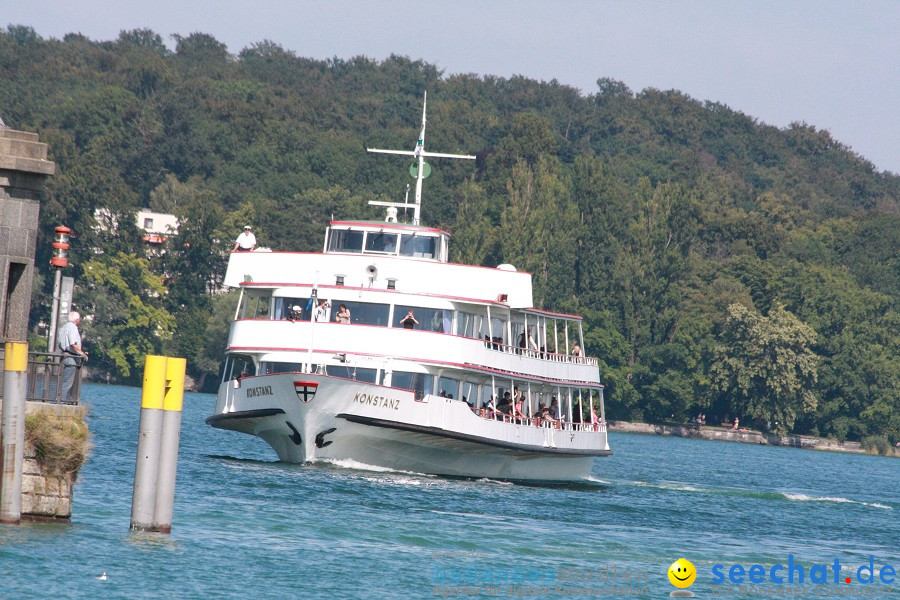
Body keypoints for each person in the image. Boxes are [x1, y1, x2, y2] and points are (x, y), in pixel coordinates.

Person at [58, 311, 88, 403]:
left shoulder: (64, 327)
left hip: (64, 355)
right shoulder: (73, 328)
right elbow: (73, 344)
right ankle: (62, 402)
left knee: (65, 381)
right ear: (77, 320)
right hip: (71, 358)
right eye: (79, 319)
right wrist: (82, 354)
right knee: (68, 382)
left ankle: (62, 400)